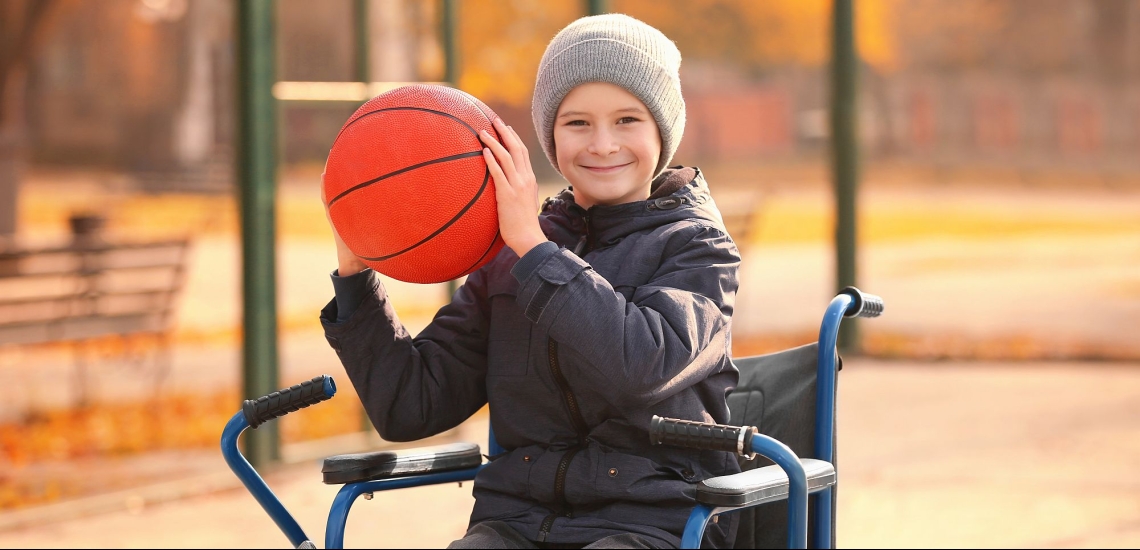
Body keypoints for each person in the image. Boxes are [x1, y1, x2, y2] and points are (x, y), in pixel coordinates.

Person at [320, 14, 742, 549]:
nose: (604, 145)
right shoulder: (509, 258)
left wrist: (537, 251)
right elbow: (411, 405)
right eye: (577, 123)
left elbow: (643, 367)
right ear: (548, 136)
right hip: (517, 523)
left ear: (664, 128)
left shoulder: (698, 249)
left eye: (628, 120)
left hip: (658, 522)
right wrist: (356, 277)